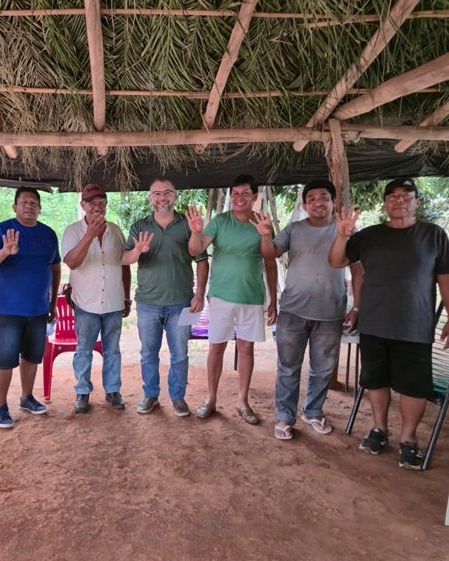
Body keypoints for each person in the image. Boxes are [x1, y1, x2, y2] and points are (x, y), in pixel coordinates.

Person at [329, 177, 449, 470]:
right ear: (385, 203)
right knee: (376, 381)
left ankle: (408, 440)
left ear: (417, 202)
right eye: (392, 196)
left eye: (406, 195)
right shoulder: (369, 236)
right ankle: (379, 430)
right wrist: (342, 235)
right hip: (374, 323)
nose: (399, 200)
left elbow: (445, 277)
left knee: (413, 387)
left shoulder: (433, 235)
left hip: (414, 325)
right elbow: (335, 261)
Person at [254, 179, 361, 440]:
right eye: (311, 199)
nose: (317, 202)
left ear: (333, 202)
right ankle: (284, 416)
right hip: (293, 311)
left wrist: (357, 307)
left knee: (322, 369)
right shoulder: (295, 229)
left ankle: (313, 411)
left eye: (323, 197)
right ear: (304, 205)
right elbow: (270, 253)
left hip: (330, 313)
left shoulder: (345, 230)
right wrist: (265, 235)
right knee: (288, 367)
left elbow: (358, 271)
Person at [187, 174, 277, 422]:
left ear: (255, 196)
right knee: (216, 347)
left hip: (252, 296)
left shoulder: (261, 223)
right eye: (235, 193)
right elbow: (196, 249)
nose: (239, 198)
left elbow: (270, 261)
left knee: (246, 348)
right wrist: (195, 232)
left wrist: (273, 300)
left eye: (245, 193)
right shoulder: (220, 221)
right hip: (221, 297)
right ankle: (211, 398)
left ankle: (242, 401)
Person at [122, 178, 209, 416]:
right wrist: (137, 250)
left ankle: (178, 397)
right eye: (157, 193)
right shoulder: (140, 226)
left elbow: (201, 260)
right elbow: (124, 259)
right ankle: (150, 395)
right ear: (150, 197)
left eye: (167, 193)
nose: (162, 198)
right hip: (147, 303)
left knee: (180, 354)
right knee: (148, 353)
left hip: (181, 303)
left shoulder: (188, 225)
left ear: (175, 195)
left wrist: (199, 294)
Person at [0, 187, 61, 429]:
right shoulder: (2, 230)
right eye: (24, 202)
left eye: (34, 203)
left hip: (39, 309)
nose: (29, 206)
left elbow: (55, 267)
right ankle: (0, 406)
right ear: (15, 207)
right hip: (10, 310)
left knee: (32, 356)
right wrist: (5, 252)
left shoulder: (48, 234)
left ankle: (27, 397)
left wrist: (53, 302)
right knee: (4, 359)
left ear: (40, 208)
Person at [62, 184, 131, 413]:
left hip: (113, 302)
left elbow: (124, 265)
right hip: (85, 303)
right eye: (92, 203)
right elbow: (72, 262)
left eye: (101, 203)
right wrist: (90, 235)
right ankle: (82, 392)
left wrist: (126, 297)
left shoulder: (116, 231)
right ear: (83, 205)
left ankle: (113, 390)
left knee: (113, 350)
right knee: (84, 350)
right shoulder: (73, 231)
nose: (97, 207)